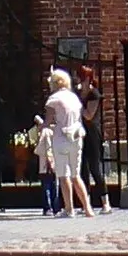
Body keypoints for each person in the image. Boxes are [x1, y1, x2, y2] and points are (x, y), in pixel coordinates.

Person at [41, 68, 92, 218]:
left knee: (64, 176)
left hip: (61, 137)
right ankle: (87, 208)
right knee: (76, 175)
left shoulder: (53, 99)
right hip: (76, 135)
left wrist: (41, 125)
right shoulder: (73, 97)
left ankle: (69, 209)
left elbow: (49, 120)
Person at [77, 65, 108, 212]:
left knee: (95, 168)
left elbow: (89, 115)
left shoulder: (94, 94)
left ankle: (105, 202)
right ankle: (86, 203)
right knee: (82, 168)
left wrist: (78, 106)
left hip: (92, 134)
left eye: (81, 78)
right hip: (80, 133)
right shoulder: (77, 94)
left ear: (88, 79)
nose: (79, 81)